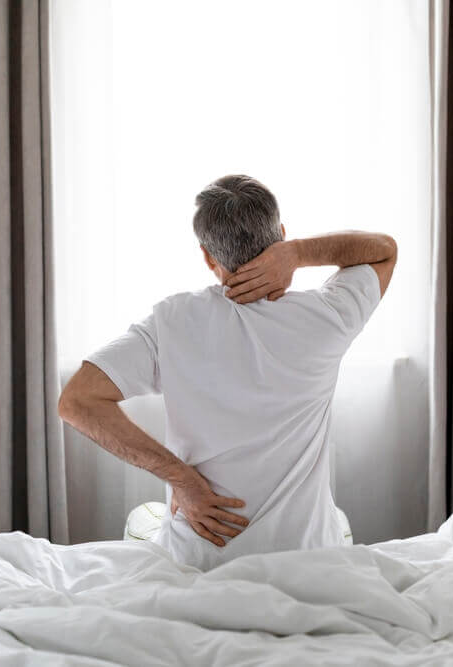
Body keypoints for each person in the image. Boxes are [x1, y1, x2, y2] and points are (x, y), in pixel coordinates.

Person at [58, 174, 396, 570]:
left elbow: (77, 402)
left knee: (142, 522)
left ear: (207, 256)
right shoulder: (328, 317)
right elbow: (384, 251)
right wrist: (299, 253)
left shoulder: (171, 322)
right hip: (307, 559)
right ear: (282, 234)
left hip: (200, 561)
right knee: (338, 524)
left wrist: (183, 481)